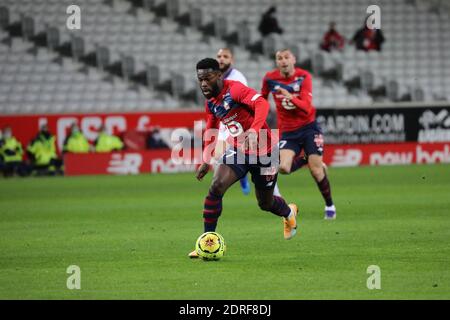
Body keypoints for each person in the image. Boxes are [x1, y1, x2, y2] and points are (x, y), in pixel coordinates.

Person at [189, 58, 298, 258]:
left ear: (219, 76)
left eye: (208, 78)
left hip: (266, 150)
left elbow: (262, 104)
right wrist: (206, 159)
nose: (203, 83)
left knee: (265, 203)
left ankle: (289, 212)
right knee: (216, 186)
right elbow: (211, 128)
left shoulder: (235, 90)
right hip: (239, 150)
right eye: (200, 79)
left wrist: (255, 130)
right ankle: (206, 241)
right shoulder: (211, 103)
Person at [261, 49, 336, 219]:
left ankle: (330, 206)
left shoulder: (304, 77)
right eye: (279, 58)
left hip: (309, 127)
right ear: (276, 62)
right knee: (283, 168)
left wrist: (290, 96)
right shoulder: (270, 78)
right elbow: (262, 98)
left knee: (316, 171)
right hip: (288, 131)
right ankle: (305, 160)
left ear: (293, 59)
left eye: (287, 57)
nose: (283, 61)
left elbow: (306, 107)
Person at [215, 47, 251, 195]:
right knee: (218, 156)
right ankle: (241, 178)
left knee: (240, 154)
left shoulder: (238, 77)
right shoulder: (216, 77)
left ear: (232, 60)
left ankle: (241, 175)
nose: (221, 59)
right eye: (219, 56)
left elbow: (245, 100)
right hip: (224, 122)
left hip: (237, 122)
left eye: (225, 56)